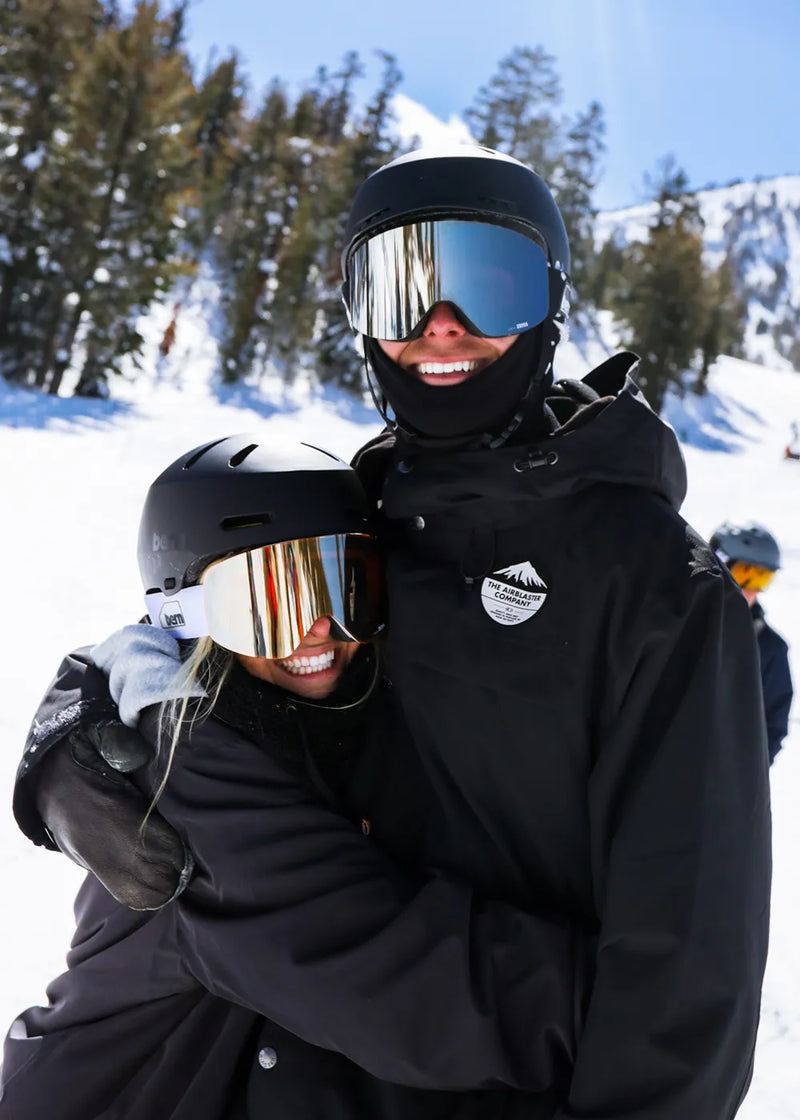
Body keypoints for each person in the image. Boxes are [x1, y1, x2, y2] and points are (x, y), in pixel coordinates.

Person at [12, 146, 771, 1120]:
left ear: (546, 305)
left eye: (485, 286)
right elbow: (191, 632)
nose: (440, 326)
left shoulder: (656, 582)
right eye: (399, 290)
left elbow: (686, 989)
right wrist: (72, 727)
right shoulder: (358, 512)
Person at [1, 433, 586, 1119]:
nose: (318, 631)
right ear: (189, 619)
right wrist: (620, 997)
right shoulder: (186, 778)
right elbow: (388, 984)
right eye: (269, 605)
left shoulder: (324, 719)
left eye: (346, 588)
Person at [711, 520, 794, 763]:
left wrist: (739, 779)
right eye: (744, 573)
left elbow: (772, 727)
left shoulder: (770, 648)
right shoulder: (674, 623)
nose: (750, 589)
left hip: (721, 783)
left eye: (762, 578)